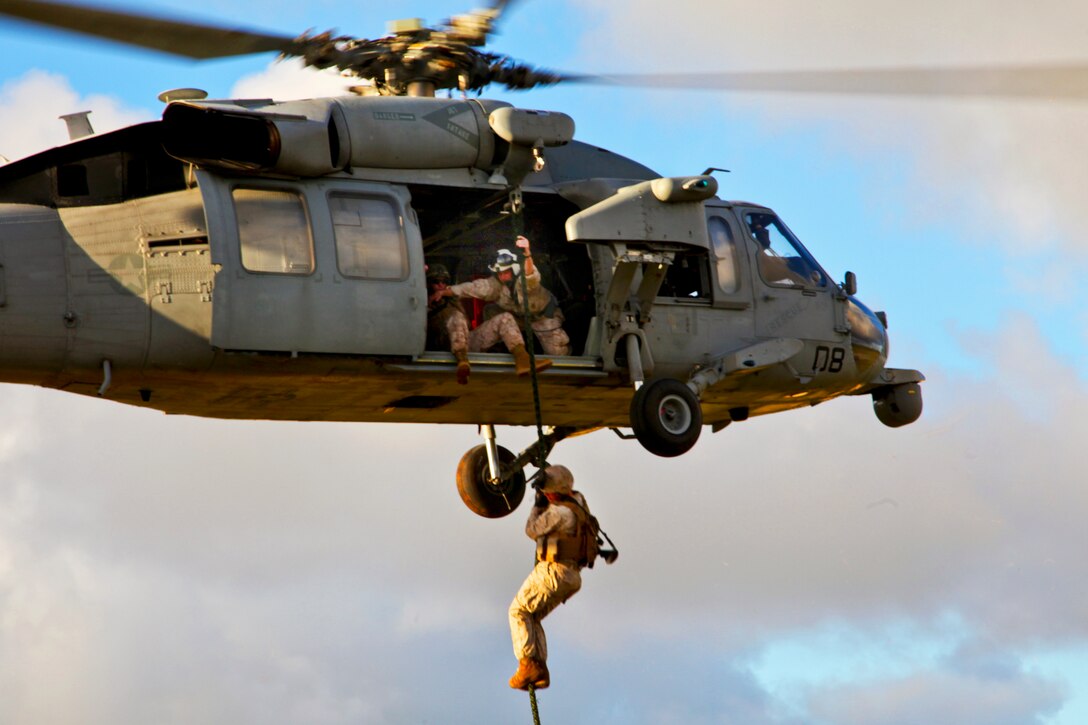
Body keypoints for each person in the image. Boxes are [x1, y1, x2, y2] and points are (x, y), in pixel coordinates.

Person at [508, 465, 601, 691]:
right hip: (572, 576)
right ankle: (539, 670)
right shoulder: (579, 502)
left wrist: (537, 507)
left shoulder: (560, 513)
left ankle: (528, 664)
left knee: (518, 612)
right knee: (532, 617)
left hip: (553, 571)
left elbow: (532, 530)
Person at [438, 236, 571, 357]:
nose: (502, 276)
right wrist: (444, 292)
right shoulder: (495, 285)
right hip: (519, 318)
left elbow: (530, 275)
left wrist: (527, 254)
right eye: (499, 273)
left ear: (513, 269)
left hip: (543, 318)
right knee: (491, 310)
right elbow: (471, 288)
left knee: (559, 356)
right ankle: (500, 346)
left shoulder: (525, 282)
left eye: (505, 272)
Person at [426, 262, 549, 382]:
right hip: (442, 346)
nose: (441, 285)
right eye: (436, 282)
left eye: (444, 282)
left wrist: (447, 294)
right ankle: (462, 361)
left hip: (465, 342)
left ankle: (522, 359)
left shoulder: (452, 299)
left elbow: (468, 289)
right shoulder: (422, 300)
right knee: (456, 316)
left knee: (505, 318)